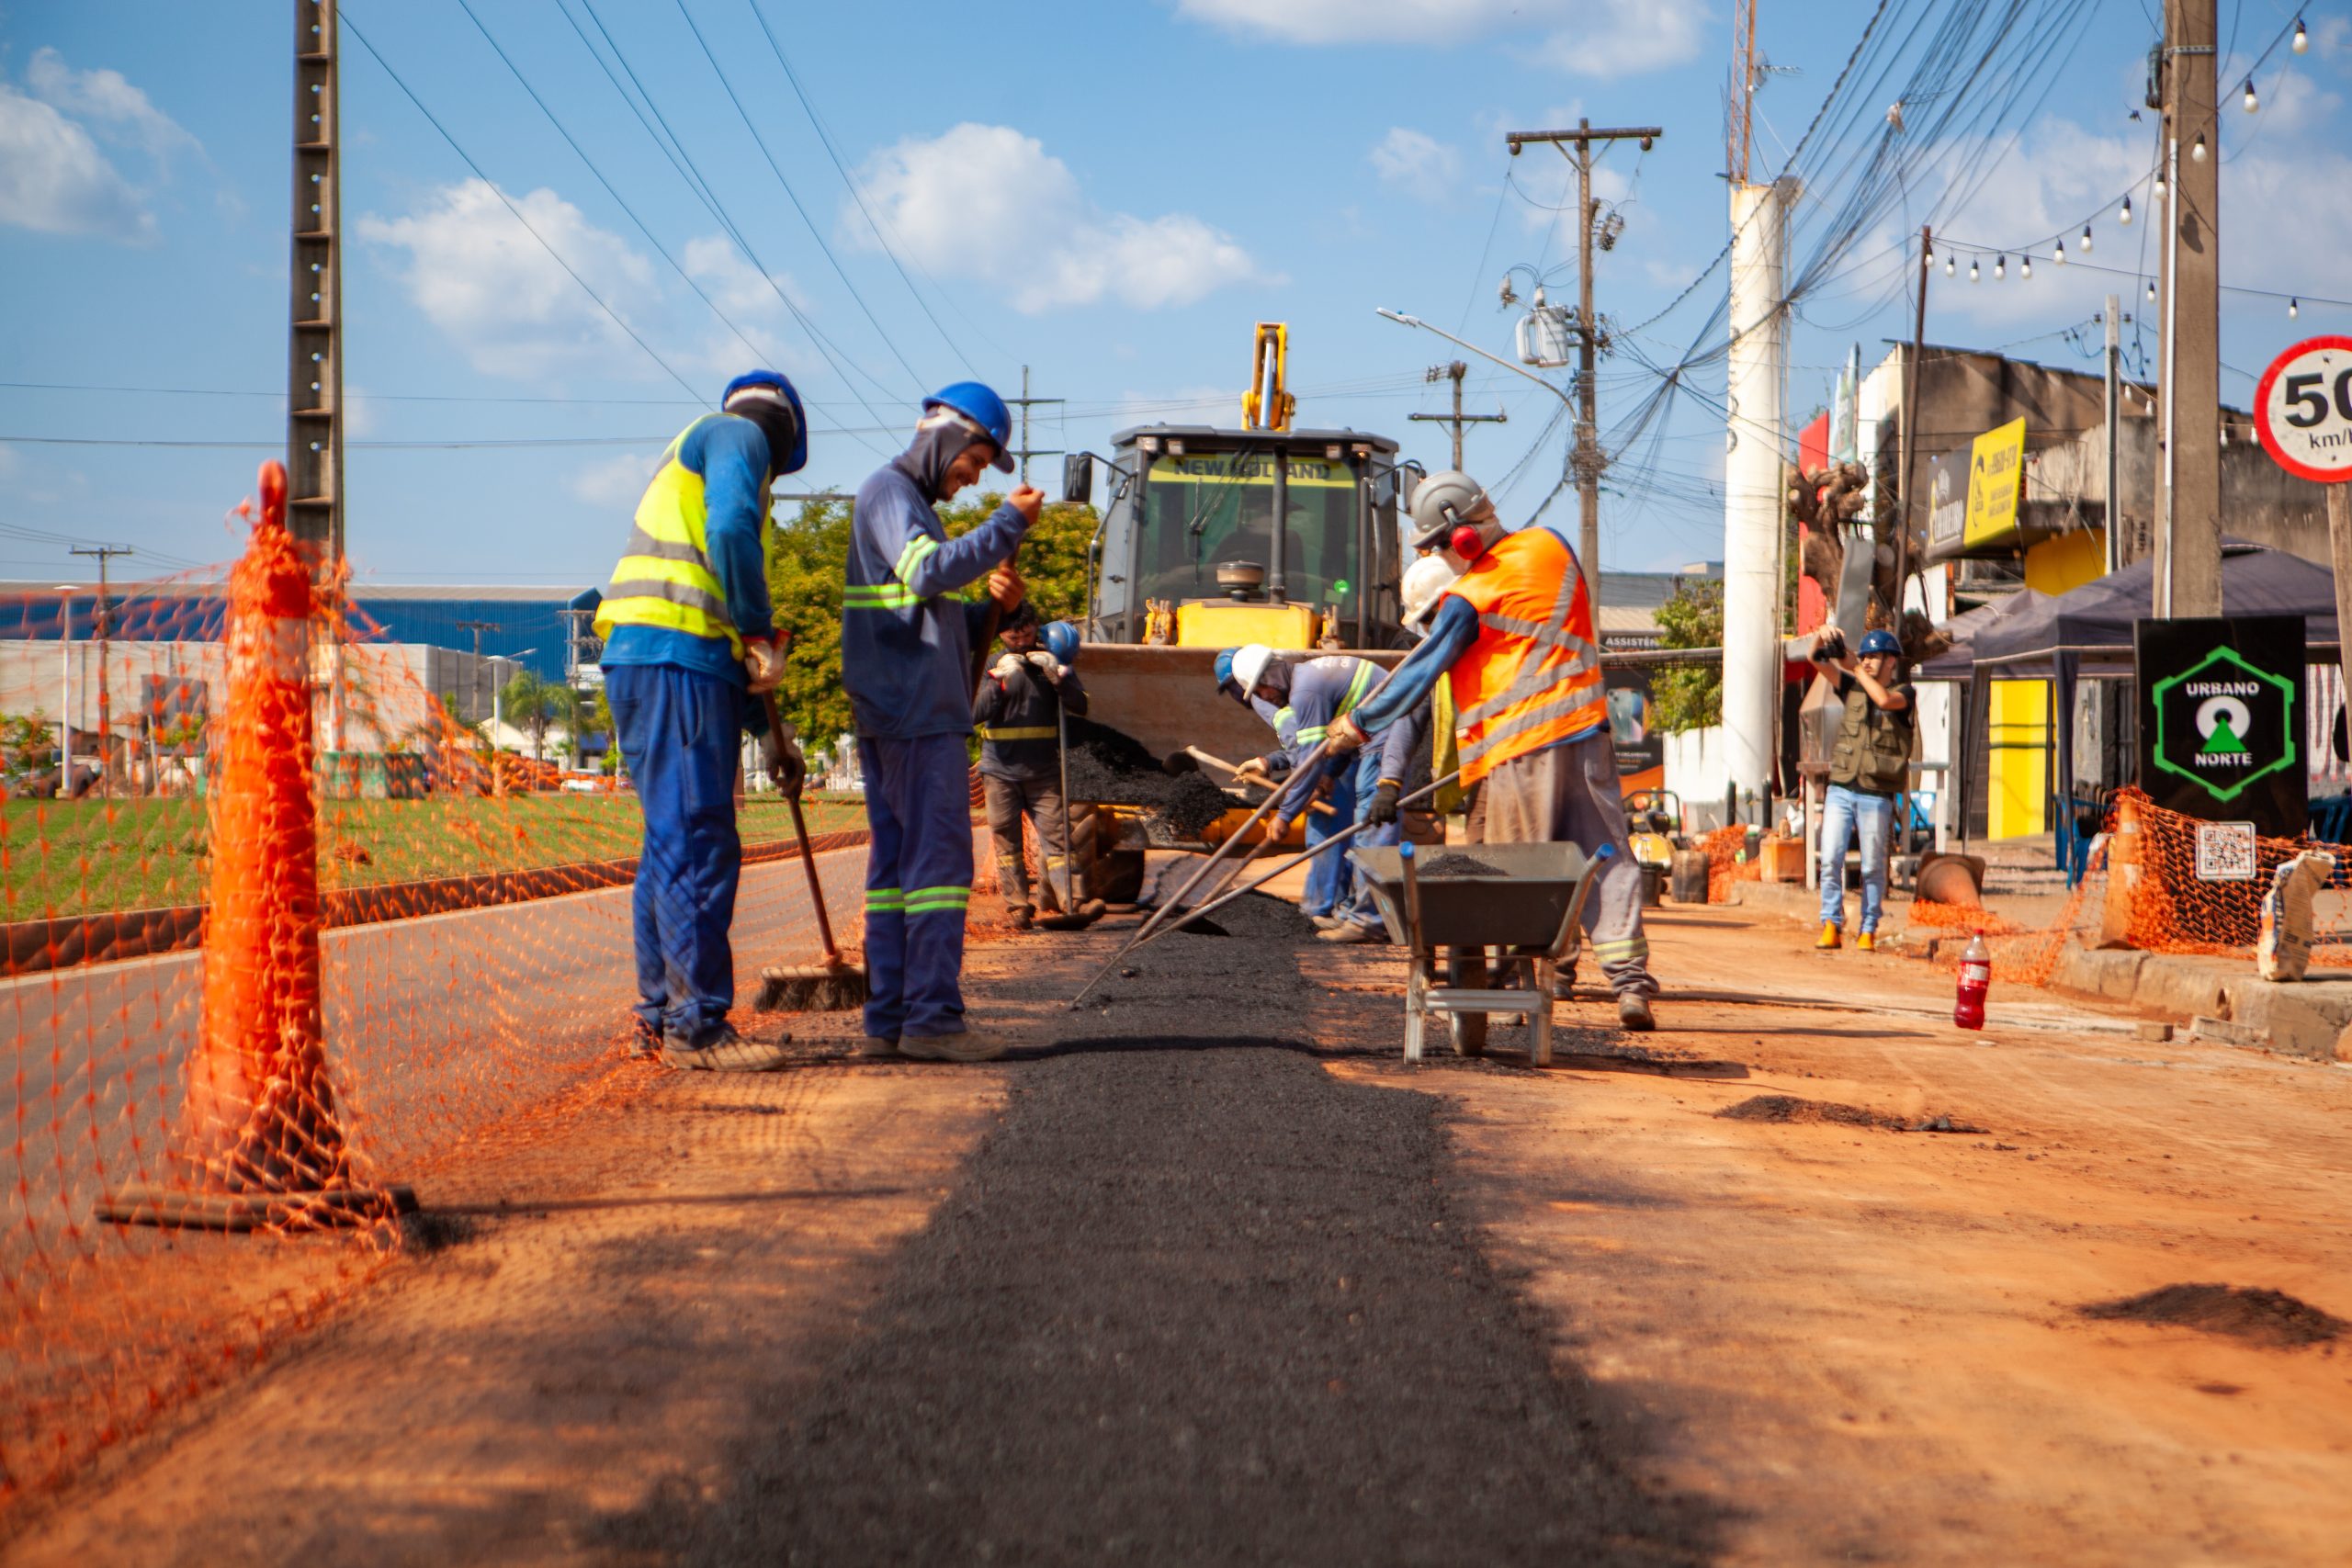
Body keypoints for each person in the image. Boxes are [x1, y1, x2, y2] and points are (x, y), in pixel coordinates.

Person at [1329, 469, 1658, 1030]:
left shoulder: (1471, 594)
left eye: (1438, 546)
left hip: (1524, 751)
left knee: (1518, 876)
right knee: (1607, 858)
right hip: (1587, 735)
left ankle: (1513, 989)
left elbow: (1419, 672)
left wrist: (1356, 725)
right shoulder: (1554, 546)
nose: (1442, 557)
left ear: (1461, 534)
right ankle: (1631, 986)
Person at [594, 370, 808, 1072]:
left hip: (666, 660)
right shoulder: (737, 435)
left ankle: (659, 1016)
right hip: (676, 656)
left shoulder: (700, 451)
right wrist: (757, 631)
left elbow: (722, 609)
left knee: (670, 841)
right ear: (782, 436)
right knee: (698, 839)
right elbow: (730, 529)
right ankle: (697, 1025)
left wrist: (773, 733)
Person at [844, 382, 1038, 1061]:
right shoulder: (890, 493)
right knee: (936, 867)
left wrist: (993, 608)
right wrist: (1005, 527)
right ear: (952, 436)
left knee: (898, 871)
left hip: (904, 706)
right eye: (976, 461)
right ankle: (930, 1019)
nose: (973, 477)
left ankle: (889, 1021)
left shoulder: (909, 506)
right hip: (913, 712)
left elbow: (930, 615)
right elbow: (927, 576)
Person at [1218, 646, 1383, 928]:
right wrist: (1268, 762)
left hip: (1374, 743)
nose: (1259, 697)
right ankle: (1341, 907)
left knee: (1339, 831)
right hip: (1355, 747)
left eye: (1256, 691)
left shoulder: (1293, 695)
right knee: (1352, 832)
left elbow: (1307, 755)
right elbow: (1320, 745)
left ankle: (1334, 910)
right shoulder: (1297, 682)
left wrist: (1286, 813)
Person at [975, 601, 1105, 930]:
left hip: (1044, 771)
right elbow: (973, 714)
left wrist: (1058, 678)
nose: (1021, 642)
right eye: (1013, 636)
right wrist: (996, 680)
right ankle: (1018, 908)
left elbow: (1082, 705)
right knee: (1006, 842)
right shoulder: (989, 665)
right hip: (1000, 771)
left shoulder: (1053, 662)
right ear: (1001, 634)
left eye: (1027, 634)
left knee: (1059, 840)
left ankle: (1071, 902)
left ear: (1036, 628)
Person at [1812, 626, 1915, 952]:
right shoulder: (1851, 687)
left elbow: (1883, 699)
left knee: (1872, 866)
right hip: (1841, 788)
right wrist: (1822, 635)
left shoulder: (1905, 694)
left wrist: (1853, 663)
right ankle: (1831, 924)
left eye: (1874, 656)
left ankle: (1868, 928)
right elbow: (1816, 659)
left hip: (1876, 793)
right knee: (1830, 858)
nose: (1868, 661)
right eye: (1865, 655)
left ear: (1890, 661)